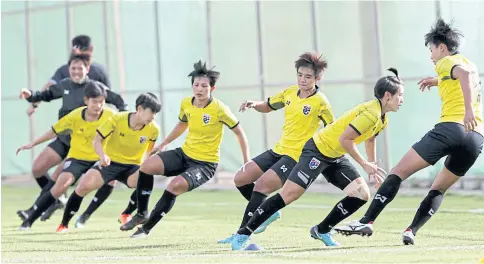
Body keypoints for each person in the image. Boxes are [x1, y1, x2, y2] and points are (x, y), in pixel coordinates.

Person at [334, 19, 484, 246]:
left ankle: (367, 221)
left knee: (398, 172)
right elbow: (464, 75)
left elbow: (461, 74)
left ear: (441, 47)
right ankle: (411, 231)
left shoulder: (446, 62)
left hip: (451, 128)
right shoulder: (468, 63)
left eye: (431, 49)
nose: (431, 55)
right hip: (475, 138)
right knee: (439, 188)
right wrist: (437, 82)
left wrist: (468, 110)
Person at [231, 68, 404, 250]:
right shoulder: (371, 113)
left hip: (335, 155)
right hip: (317, 150)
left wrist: (372, 164)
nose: (402, 100)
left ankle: (322, 230)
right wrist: (363, 164)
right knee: (289, 194)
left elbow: (370, 139)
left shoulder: (382, 118)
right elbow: (346, 139)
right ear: (387, 96)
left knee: (361, 195)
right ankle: (243, 234)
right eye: (400, 95)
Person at [120, 60, 251, 239]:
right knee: (147, 166)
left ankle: (145, 229)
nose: (199, 89)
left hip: (205, 164)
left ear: (212, 88)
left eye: (204, 86)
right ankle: (142, 213)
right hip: (184, 154)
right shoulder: (186, 104)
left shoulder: (220, 109)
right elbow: (182, 124)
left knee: (174, 186)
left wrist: (246, 162)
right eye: (196, 85)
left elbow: (239, 132)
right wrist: (163, 144)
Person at [218, 52, 335, 244]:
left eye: (308, 77)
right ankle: (267, 213)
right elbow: (269, 105)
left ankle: (241, 234)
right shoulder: (290, 93)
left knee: (262, 186)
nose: (302, 80)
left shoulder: (321, 102)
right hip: (279, 149)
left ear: (317, 78)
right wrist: (254, 104)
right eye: (300, 75)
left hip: (298, 156)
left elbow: (333, 128)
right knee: (241, 178)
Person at [17, 53, 126, 223]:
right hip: (64, 138)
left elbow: (119, 101)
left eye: (79, 68)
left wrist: (122, 121)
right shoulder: (64, 84)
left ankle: (37, 210)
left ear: (87, 69)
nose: (76, 71)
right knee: (38, 168)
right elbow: (45, 95)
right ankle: (57, 200)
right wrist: (30, 94)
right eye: (72, 68)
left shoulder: (96, 88)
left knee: (60, 177)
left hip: (85, 143)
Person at [57, 93, 161, 232]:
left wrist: (150, 161)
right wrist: (102, 156)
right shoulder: (118, 119)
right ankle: (64, 224)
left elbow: (149, 151)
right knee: (83, 187)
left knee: (147, 175)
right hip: (110, 163)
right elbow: (97, 140)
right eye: (152, 112)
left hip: (131, 166)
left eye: (156, 113)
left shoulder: (154, 129)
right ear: (140, 109)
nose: (154, 116)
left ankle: (127, 213)